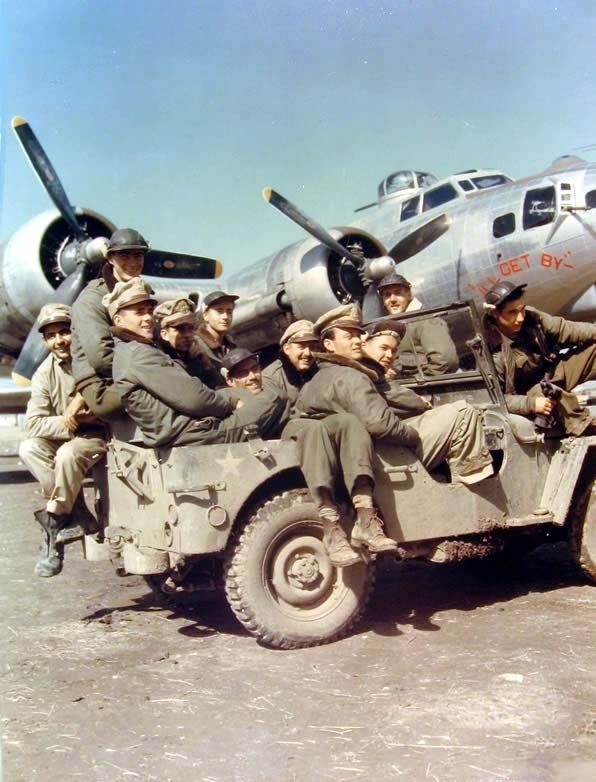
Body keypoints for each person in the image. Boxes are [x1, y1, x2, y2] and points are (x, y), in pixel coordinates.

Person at [296, 305, 425, 559]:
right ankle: (364, 520)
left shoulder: (314, 382)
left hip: (321, 454)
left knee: (349, 423)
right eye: (348, 335)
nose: (358, 340)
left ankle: (358, 523)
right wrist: (415, 436)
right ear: (329, 345)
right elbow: (380, 424)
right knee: (353, 425)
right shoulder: (351, 377)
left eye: (358, 334)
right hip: (335, 456)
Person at [107, 279, 284, 447]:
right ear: (118, 321)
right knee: (275, 399)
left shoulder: (134, 351)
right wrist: (230, 404)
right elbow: (193, 398)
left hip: (188, 429)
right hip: (193, 434)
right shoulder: (138, 354)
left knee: (250, 397)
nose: (147, 318)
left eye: (148, 311)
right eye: (139, 312)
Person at [19, 304, 107, 578]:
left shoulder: (94, 358)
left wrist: (89, 419)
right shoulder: (44, 374)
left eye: (64, 331)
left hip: (98, 436)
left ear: (75, 332)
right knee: (29, 448)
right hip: (70, 434)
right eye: (51, 335)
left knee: (67, 455)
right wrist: (73, 421)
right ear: (45, 341)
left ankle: (53, 528)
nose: (59, 341)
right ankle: (75, 508)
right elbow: (33, 423)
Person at [361, 320, 494, 484]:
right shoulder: (366, 375)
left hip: (384, 447)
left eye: (394, 350)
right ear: (363, 345)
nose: (390, 355)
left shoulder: (371, 373)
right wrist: (423, 404)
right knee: (464, 413)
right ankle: (476, 486)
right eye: (384, 348)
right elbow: (400, 398)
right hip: (389, 453)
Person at [483, 281, 595, 436]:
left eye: (522, 310)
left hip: (551, 373)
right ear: (495, 314)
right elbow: (496, 398)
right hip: (530, 394)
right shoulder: (489, 348)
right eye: (512, 312)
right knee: (551, 396)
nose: (520, 317)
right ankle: (585, 427)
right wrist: (532, 404)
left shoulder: (532, 318)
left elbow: (565, 329)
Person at [70, 227, 150, 419]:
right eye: (124, 255)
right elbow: (101, 358)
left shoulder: (139, 292)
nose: (132, 262)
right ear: (110, 258)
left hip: (130, 375)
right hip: (102, 385)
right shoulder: (92, 299)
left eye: (138, 255)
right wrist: (152, 372)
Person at [377, 271, 458, 375]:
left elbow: (446, 362)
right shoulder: (390, 327)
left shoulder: (427, 321)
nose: (392, 299)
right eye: (387, 295)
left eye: (398, 293)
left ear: (409, 294)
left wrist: (417, 382)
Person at [261, 320, 319, 412]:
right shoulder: (271, 378)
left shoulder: (318, 369)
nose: (308, 353)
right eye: (301, 347)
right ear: (287, 349)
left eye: (312, 347)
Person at [153, 296, 215, 382]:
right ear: (165, 334)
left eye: (190, 328)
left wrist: (206, 363)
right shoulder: (158, 359)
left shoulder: (193, 355)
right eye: (180, 329)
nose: (188, 335)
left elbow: (215, 386)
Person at [194, 290, 239, 386]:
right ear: (205, 315)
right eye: (219, 311)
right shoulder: (195, 344)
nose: (226, 317)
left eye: (229, 311)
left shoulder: (230, 343)